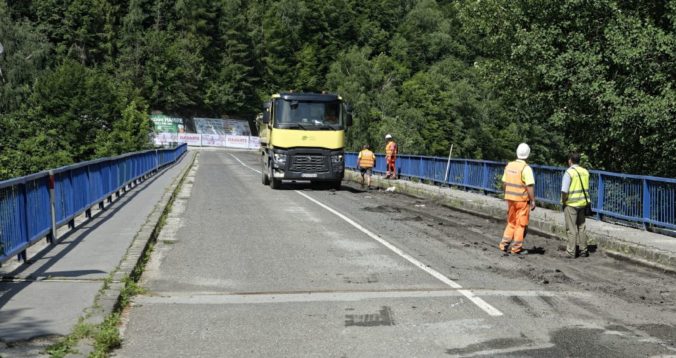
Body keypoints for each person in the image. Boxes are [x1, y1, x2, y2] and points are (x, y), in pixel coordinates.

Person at [499, 143, 536, 255]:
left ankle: (504, 244)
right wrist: (533, 200)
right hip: (521, 200)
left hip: (510, 199)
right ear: (528, 155)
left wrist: (507, 194)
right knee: (521, 224)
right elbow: (529, 186)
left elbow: (504, 183)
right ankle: (516, 248)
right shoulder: (526, 168)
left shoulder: (509, 165)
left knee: (511, 222)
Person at [561, 152, 590, 258]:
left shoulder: (569, 173)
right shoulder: (585, 172)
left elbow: (564, 191)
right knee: (582, 227)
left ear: (570, 160)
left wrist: (564, 201)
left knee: (571, 229)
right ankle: (583, 250)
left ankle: (571, 252)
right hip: (582, 203)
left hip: (571, 204)